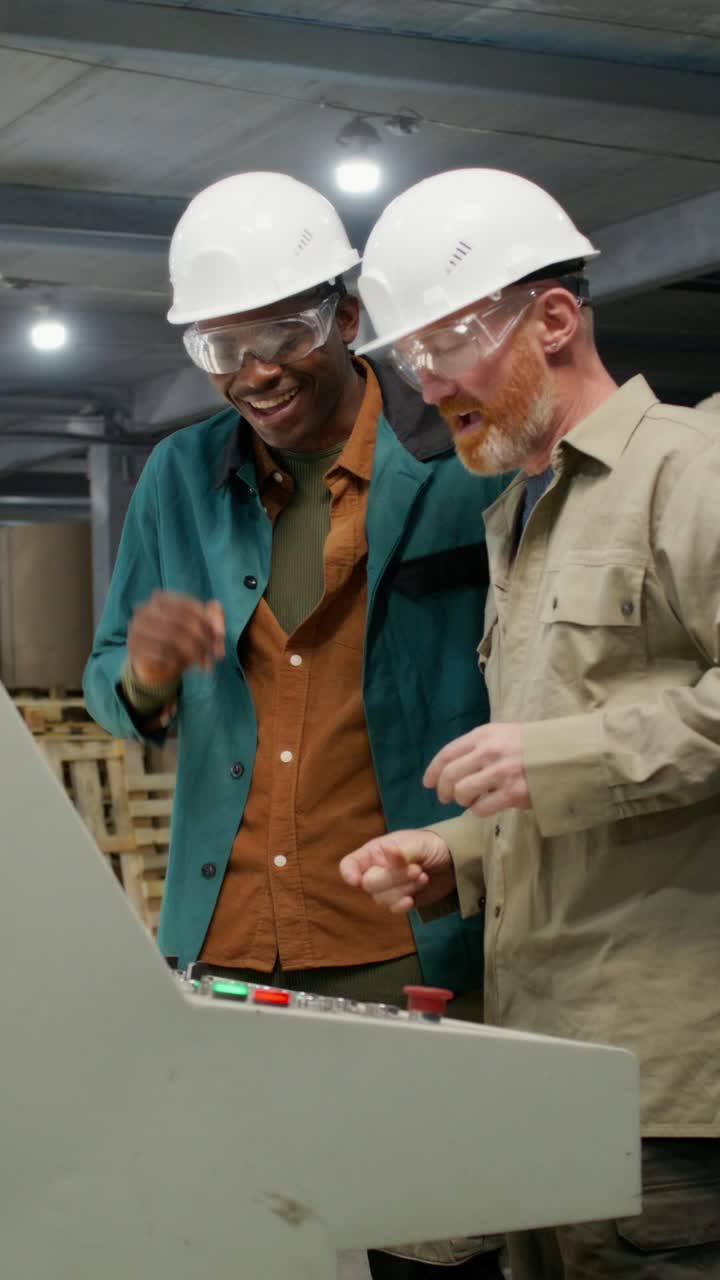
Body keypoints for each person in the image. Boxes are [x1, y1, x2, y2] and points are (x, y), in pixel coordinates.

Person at [84, 172, 508, 1280]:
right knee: (251, 1232)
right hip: (226, 933)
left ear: (349, 317)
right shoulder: (180, 475)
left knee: (433, 1232)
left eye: (282, 331)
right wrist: (144, 670)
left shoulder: (459, 461)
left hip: (402, 935)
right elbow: (107, 682)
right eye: (220, 348)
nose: (254, 370)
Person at [340, 167, 720, 1279]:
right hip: (542, 1050)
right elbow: (573, 759)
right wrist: (454, 848)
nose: (427, 383)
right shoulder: (524, 515)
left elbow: (571, 752)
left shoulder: (690, 471)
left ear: (554, 318)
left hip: (667, 1081)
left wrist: (549, 758)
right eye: (408, 359)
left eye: (449, 342)